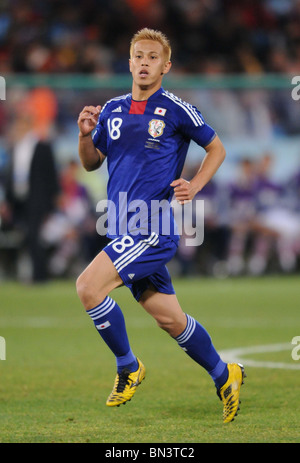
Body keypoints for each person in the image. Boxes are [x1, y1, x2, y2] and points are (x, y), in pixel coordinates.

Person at [76, 28, 245, 424]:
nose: (145, 62)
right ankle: (225, 375)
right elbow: (90, 162)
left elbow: (216, 147)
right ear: (130, 61)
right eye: (139, 56)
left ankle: (128, 367)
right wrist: (84, 137)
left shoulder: (176, 109)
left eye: (153, 57)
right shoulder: (113, 109)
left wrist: (195, 184)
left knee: (87, 286)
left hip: (152, 228)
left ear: (165, 66)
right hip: (121, 228)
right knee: (170, 319)